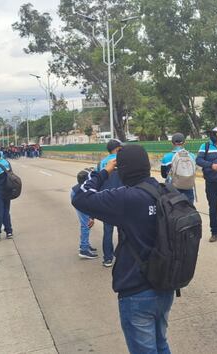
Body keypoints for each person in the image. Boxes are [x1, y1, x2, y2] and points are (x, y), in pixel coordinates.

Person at [72, 145, 175, 354]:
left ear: (123, 170)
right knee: (161, 343)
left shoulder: (126, 198)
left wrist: (104, 171)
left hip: (137, 290)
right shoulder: (165, 191)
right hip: (166, 285)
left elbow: (80, 197)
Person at [87, 139, 124, 265]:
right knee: (123, 230)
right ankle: (122, 256)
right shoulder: (123, 161)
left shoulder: (101, 163)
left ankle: (108, 258)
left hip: (107, 200)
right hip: (122, 199)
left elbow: (97, 182)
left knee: (108, 231)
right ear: (118, 148)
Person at [161, 133, 197, 205]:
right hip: (188, 187)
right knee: (189, 210)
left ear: (172, 143)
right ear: (184, 142)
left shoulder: (166, 157)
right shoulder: (192, 156)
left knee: (175, 211)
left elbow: (164, 175)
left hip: (172, 189)